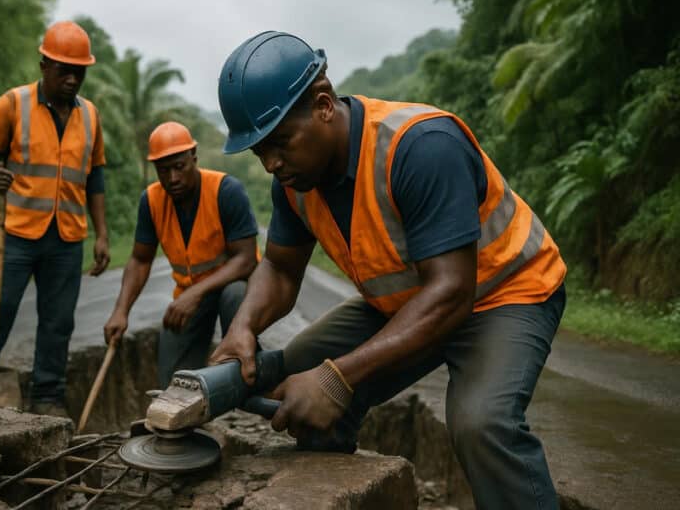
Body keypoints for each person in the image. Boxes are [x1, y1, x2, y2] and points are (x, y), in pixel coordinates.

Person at [211, 31, 567, 510]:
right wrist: (242, 328)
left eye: (280, 142)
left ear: (322, 105)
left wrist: (337, 378)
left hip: (504, 294)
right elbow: (278, 267)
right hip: (412, 302)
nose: (272, 162)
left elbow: (451, 295)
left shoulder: (421, 146)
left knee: (482, 423)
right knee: (299, 378)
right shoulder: (294, 181)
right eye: (259, 152)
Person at [0, 21, 111, 417]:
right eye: (65, 70)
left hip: (67, 238)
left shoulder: (91, 116)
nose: (73, 78)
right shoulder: (13, 104)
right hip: (16, 233)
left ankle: (48, 397)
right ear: (44, 65)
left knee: (58, 323)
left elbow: (95, 177)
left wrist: (102, 235)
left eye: (80, 71)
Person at [103, 121, 259, 388]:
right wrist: (121, 311)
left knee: (235, 294)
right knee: (174, 384)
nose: (173, 178)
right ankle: (188, 416)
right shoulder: (151, 201)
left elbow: (245, 260)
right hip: (189, 298)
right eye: (164, 170)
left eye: (179, 167)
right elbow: (140, 260)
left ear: (194, 157)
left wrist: (195, 293)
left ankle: (248, 373)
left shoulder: (226, 191)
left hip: (228, 289)